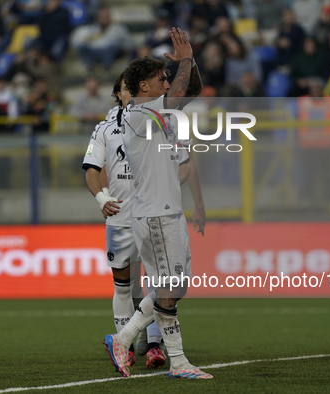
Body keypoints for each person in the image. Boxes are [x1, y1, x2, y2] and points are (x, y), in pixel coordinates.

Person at [103, 28, 212, 379]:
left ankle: (126, 340)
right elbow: (180, 91)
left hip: (166, 211)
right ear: (144, 87)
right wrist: (185, 59)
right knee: (171, 287)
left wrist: (186, 63)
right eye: (160, 78)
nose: (167, 82)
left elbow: (189, 88)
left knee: (170, 287)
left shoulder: (159, 112)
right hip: (155, 214)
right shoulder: (137, 115)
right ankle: (173, 360)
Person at [82, 72, 167, 369]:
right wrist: (102, 198)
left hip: (153, 216)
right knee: (124, 287)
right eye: (125, 89)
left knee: (163, 282)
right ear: (118, 94)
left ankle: (154, 343)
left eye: (134, 88)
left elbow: (178, 164)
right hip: (120, 220)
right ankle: (126, 346)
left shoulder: (155, 123)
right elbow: (92, 169)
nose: (131, 93)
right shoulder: (105, 129)